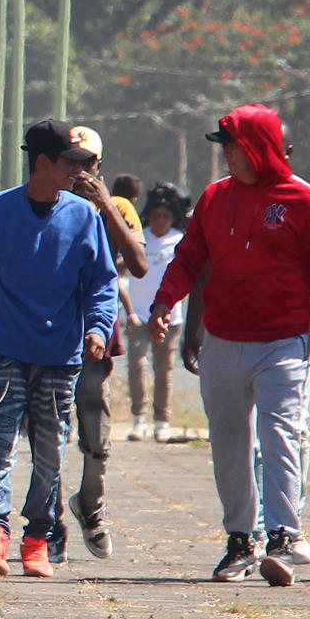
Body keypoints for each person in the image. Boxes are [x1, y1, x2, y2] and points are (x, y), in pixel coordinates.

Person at [146, 104, 310, 585]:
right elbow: (189, 258)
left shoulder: (305, 201)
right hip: (223, 339)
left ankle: (283, 533)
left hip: (284, 341)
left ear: (256, 147)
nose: (226, 157)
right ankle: (242, 538)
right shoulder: (215, 199)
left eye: (232, 148)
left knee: (281, 433)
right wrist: (162, 304)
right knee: (229, 441)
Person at [0, 120, 118, 578]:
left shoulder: (85, 216)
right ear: (43, 162)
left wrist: (98, 328)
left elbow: (102, 282)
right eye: (70, 163)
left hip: (62, 357)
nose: (79, 172)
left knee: (51, 450)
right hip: (5, 351)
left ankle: (37, 537)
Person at [62, 137, 149, 562]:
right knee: (47, 431)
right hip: (47, 329)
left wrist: (107, 207)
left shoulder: (117, 206)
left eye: (88, 163)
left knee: (96, 428)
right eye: (70, 161)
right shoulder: (46, 200)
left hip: (95, 332)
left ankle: (91, 503)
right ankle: (44, 521)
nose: (79, 171)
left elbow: (138, 263)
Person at [125, 183, 190, 443]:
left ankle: (162, 420)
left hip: (169, 317)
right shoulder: (140, 237)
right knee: (136, 365)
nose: (160, 220)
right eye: (156, 215)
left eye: (166, 216)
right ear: (148, 216)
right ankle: (139, 418)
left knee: (163, 371)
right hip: (139, 314)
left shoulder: (180, 240)